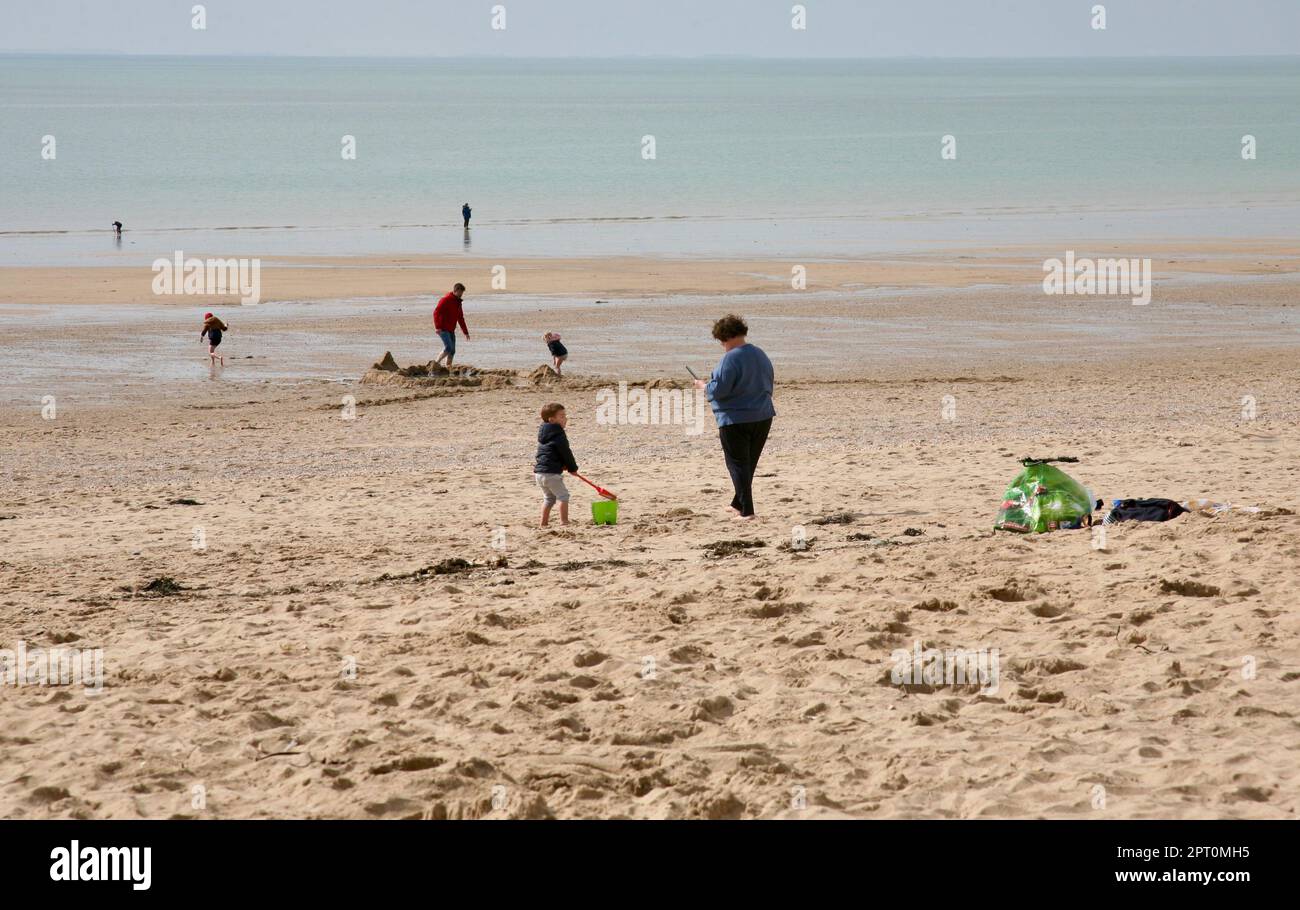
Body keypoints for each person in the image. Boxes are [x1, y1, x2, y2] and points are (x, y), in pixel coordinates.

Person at [694, 314, 775, 520]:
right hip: (763, 415)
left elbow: (719, 390)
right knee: (749, 463)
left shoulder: (730, 358)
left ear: (725, 337)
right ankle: (738, 503)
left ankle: (747, 512)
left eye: (721, 341)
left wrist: (703, 386)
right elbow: (768, 382)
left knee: (738, 464)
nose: (722, 345)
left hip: (735, 419)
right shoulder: (760, 354)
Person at [534, 402, 579, 527]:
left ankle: (543, 523)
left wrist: (561, 465)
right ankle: (564, 522)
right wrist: (572, 468)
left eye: (565, 415)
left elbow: (549, 453)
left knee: (549, 499)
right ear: (552, 420)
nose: (566, 419)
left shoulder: (544, 434)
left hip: (539, 473)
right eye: (562, 416)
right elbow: (565, 452)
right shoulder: (559, 434)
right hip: (551, 474)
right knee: (563, 496)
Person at [433, 283, 469, 367]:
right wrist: (437, 327)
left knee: (452, 351)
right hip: (442, 328)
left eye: (462, 293)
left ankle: (448, 367)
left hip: (451, 329)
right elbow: (436, 313)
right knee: (448, 348)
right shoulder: (445, 300)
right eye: (460, 293)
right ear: (455, 291)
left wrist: (465, 332)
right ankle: (435, 363)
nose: (461, 295)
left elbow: (460, 318)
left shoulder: (458, 302)